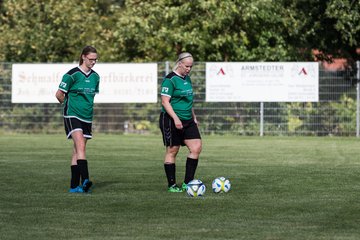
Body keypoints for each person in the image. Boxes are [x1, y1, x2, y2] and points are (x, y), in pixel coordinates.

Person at [55, 46, 100, 193]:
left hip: (87, 116)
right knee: (80, 145)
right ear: (83, 57)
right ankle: (85, 179)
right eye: (91, 59)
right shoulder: (71, 75)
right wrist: (68, 105)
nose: (93, 62)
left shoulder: (95, 77)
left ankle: (74, 186)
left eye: (95, 59)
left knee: (77, 150)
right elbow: (59, 94)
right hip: (72, 114)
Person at [159, 52, 202, 192]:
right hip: (171, 119)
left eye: (191, 66)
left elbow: (189, 100)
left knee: (196, 147)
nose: (189, 69)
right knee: (173, 150)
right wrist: (176, 119)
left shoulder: (187, 79)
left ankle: (188, 183)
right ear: (179, 63)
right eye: (187, 66)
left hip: (188, 119)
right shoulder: (170, 80)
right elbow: (165, 102)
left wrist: (193, 116)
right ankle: (172, 185)